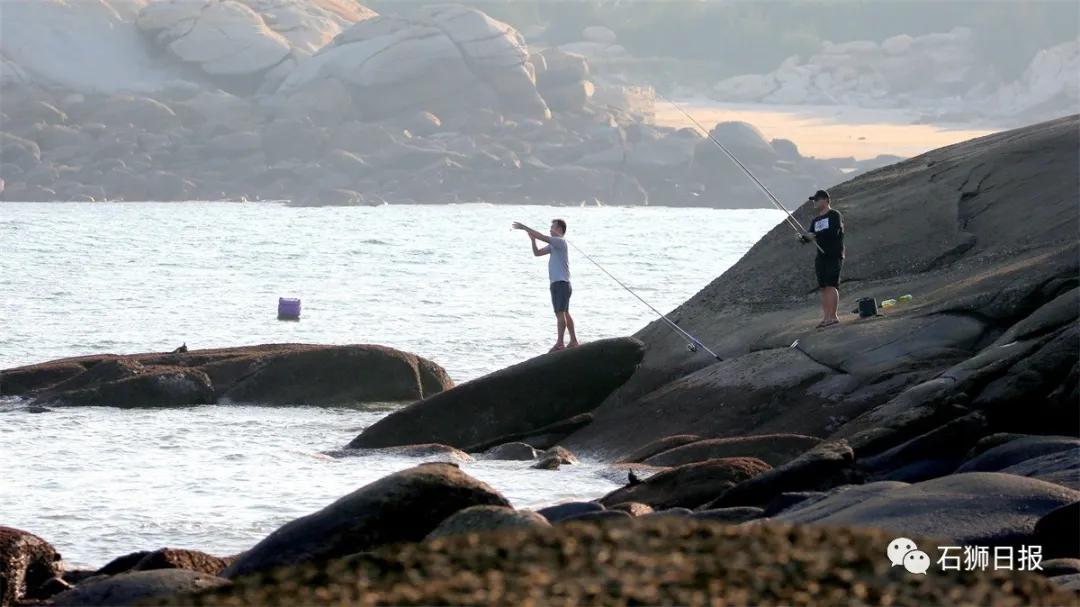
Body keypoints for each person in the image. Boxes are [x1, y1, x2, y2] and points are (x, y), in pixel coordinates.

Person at [512, 219, 578, 351]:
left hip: (561, 283)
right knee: (565, 312)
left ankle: (560, 343)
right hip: (560, 283)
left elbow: (541, 236)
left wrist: (524, 227)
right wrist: (532, 240)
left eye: (552, 227)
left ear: (559, 229)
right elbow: (537, 253)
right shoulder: (554, 245)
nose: (550, 229)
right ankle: (573, 341)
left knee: (560, 313)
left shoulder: (559, 241)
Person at [799, 189, 845, 328]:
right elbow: (810, 237)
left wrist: (815, 235)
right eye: (814, 200)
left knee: (831, 284)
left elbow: (834, 231)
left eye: (816, 199)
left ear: (825, 200)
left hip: (833, 254)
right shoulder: (816, 220)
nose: (814, 202)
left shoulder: (834, 214)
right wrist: (802, 239)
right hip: (821, 256)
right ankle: (826, 318)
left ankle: (833, 316)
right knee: (823, 287)